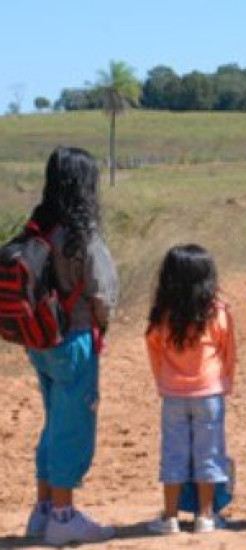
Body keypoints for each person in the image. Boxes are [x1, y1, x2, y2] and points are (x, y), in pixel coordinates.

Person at [23, 146, 119, 545]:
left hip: (38, 340)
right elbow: (102, 295)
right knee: (72, 425)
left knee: (53, 420)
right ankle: (63, 514)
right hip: (74, 340)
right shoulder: (84, 236)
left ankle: (43, 510)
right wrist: (102, 328)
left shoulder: (36, 229)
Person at [145, 244, 236, 535]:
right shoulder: (217, 313)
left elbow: (154, 350)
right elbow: (228, 352)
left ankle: (170, 517)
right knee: (209, 453)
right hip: (209, 393)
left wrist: (162, 379)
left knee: (173, 453)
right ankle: (206, 515)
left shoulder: (162, 315)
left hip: (173, 394)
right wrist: (225, 381)